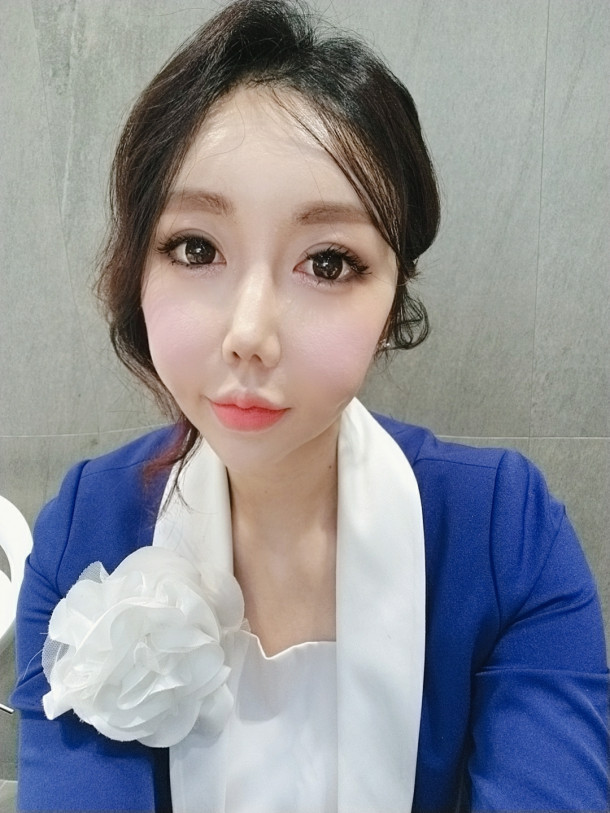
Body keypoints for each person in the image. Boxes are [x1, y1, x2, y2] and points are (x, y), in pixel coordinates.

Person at [11, 1, 608, 811]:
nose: (250, 334)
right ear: (136, 270)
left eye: (327, 262)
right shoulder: (86, 528)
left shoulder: (506, 532)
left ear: (393, 300)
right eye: (196, 247)